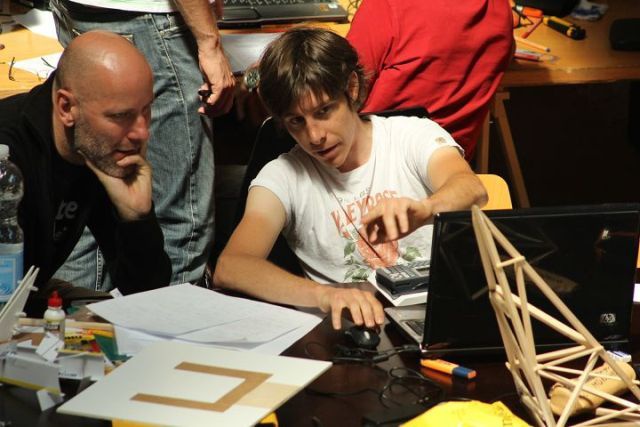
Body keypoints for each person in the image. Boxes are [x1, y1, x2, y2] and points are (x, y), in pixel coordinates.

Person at [214, 28, 488, 330]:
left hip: (438, 321)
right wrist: (325, 295)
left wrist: (426, 208)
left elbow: (471, 188)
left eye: (324, 111)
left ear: (352, 89)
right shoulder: (282, 176)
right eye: (296, 121)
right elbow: (232, 266)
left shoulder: (410, 135)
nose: (314, 136)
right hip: (349, 334)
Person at [49, 0, 235, 290]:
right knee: (179, 223)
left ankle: (74, 316)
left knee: (84, 216)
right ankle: (166, 319)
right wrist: (208, 41)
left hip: (82, 13)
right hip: (151, 22)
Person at [0, 31, 171, 314]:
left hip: (24, 298)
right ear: (66, 107)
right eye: (121, 116)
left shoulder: (97, 147)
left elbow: (147, 295)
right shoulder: (9, 159)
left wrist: (136, 217)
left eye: (146, 110)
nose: (142, 132)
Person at [346, 0, 513, 160]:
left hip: (372, 162)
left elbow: (342, 86)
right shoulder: (500, 10)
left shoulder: (387, 6)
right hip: (449, 164)